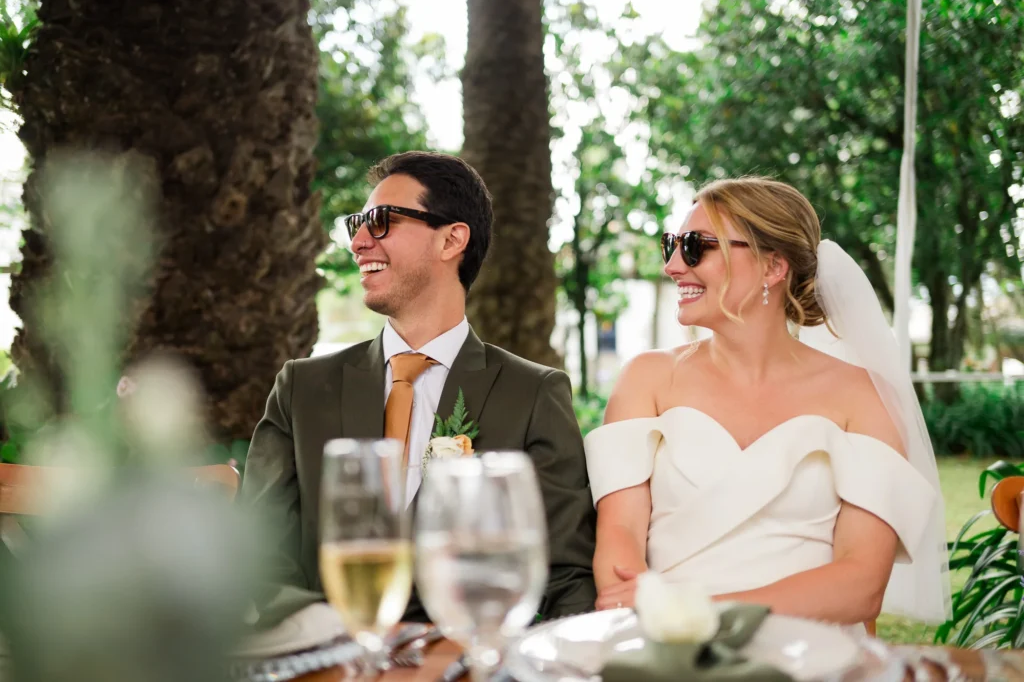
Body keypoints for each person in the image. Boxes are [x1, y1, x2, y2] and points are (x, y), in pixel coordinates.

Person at [241, 151, 597, 626]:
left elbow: (565, 576)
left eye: (381, 221)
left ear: (452, 239)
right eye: (357, 225)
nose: (359, 242)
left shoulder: (533, 394)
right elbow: (258, 558)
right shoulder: (301, 390)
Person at [585, 177, 951, 627]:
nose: (673, 266)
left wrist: (695, 611)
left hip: (810, 655)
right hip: (670, 650)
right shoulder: (647, 379)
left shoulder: (864, 397)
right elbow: (619, 537)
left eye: (697, 246)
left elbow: (862, 585)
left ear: (772, 267)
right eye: (671, 245)